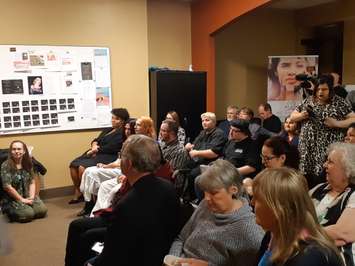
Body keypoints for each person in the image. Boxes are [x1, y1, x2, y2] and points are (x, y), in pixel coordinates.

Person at [85, 135, 180, 266]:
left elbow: (112, 254)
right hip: (159, 251)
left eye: (121, 156)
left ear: (128, 163)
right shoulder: (168, 186)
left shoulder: (127, 204)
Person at [170, 159, 264, 266]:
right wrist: (174, 259)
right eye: (205, 191)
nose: (206, 198)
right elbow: (181, 238)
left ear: (233, 190)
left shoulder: (250, 232)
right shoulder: (205, 204)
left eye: (213, 193)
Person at [253, 167, 343, 266]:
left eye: (257, 198)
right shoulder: (273, 235)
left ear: (279, 209)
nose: (252, 202)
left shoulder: (309, 257)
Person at [290, 74, 352, 188]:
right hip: (307, 150)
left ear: (330, 89)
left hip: (327, 151)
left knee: (324, 182)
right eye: (318, 89)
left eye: (324, 89)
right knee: (306, 182)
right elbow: (292, 116)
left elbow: (353, 118)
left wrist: (337, 123)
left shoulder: (339, 102)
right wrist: (302, 115)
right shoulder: (309, 101)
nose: (320, 92)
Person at [68, 108, 129, 204]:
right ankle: (78, 190)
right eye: (112, 118)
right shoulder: (108, 130)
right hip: (96, 152)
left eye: (116, 118)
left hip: (108, 156)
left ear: (123, 120)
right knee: (73, 165)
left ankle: (87, 196)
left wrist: (96, 150)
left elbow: (113, 147)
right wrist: (94, 145)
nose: (113, 120)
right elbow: (96, 139)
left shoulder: (122, 133)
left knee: (81, 167)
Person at [77, 119, 136, 216]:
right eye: (126, 129)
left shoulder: (135, 143)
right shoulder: (125, 141)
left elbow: (125, 163)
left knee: (95, 176)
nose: (127, 131)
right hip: (118, 166)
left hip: (122, 170)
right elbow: (119, 159)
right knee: (88, 170)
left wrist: (107, 166)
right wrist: (107, 166)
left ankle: (97, 211)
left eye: (129, 129)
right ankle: (89, 204)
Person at [309, 143, 355, 265]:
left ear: (347, 169)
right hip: (308, 249)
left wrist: (302, 233)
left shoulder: (353, 196)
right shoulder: (319, 188)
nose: (324, 165)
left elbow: (342, 233)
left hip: (331, 258)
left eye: (330, 162)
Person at [0, 140, 47, 223]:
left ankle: (27, 207)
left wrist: (32, 197)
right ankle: (10, 211)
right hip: (13, 198)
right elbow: (8, 187)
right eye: (14, 149)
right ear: (11, 151)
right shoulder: (5, 165)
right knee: (28, 215)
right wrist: (21, 199)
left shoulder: (28, 163)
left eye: (19, 149)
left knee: (41, 211)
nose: (16, 151)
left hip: (27, 195)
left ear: (24, 151)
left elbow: (32, 182)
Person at [184, 112, 227, 199]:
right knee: (184, 167)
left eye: (207, 120)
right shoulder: (202, 133)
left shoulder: (219, 134)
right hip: (199, 160)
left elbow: (213, 153)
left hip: (211, 163)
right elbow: (194, 145)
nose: (204, 122)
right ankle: (186, 197)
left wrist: (196, 153)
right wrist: (189, 146)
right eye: (203, 120)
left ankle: (195, 199)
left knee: (192, 174)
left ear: (214, 122)